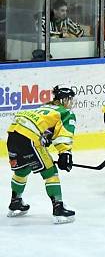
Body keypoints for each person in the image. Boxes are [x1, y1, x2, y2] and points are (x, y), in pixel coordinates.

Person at [6, 85, 77, 223]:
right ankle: (58, 208)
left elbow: (43, 129)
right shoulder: (64, 112)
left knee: (22, 170)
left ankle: (16, 202)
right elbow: (65, 134)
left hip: (12, 136)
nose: (71, 103)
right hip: (30, 138)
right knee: (50, 172)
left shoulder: (42, 108)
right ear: (64, 100)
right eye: (70, 99)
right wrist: (65, 153)